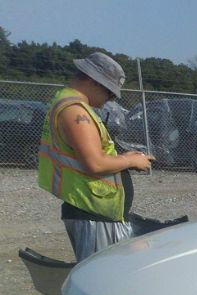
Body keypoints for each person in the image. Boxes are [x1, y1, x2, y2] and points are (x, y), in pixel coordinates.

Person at [37, 52, 153, 262]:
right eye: (109, 92)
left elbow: (89, 155)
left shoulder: (70, 105)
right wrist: (131, 161)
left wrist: (122, 157)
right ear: (92, 81)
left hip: (93, 208)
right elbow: (95, 163)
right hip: (93, 210)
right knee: (106, 277)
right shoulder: (74, 111)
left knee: (108, 273)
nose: (111, 99)